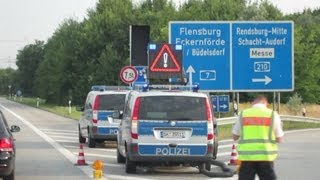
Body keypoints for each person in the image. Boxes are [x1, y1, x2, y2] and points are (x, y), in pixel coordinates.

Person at [232, 95, 284, 180]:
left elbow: (234, 136)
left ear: (253, 103)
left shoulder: (243, 114)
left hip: (247, 158)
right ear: (265, 103)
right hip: (266, 157)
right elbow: (279, 138)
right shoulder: (272, 115)